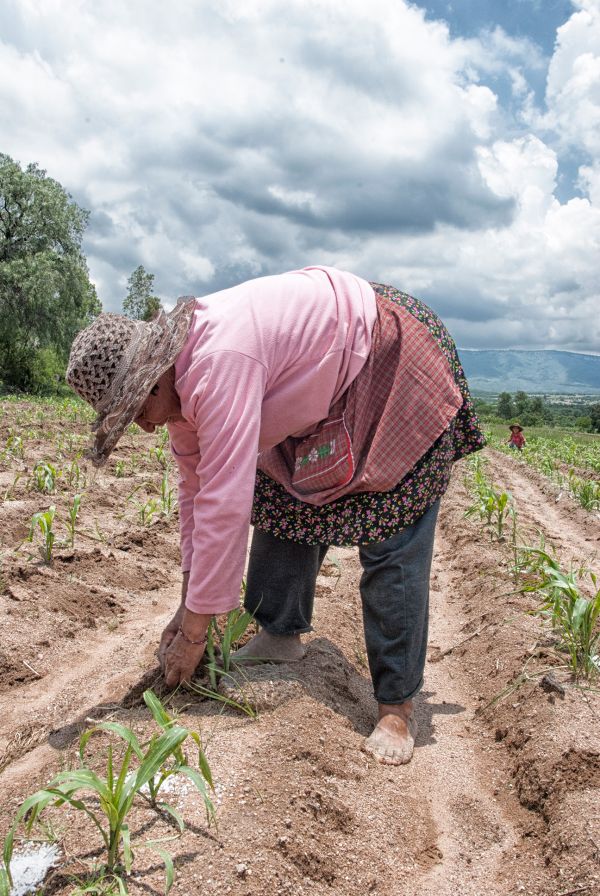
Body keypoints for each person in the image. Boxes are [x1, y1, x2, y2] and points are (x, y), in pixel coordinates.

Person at [66, 266, 485, 766]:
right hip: (322, 387)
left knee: (392, 532)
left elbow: (225, 502)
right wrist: (184, 608)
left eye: (135, 413)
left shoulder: (218, 362)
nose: (143, 428)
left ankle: (396, 707)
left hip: (386, 360)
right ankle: (279, 636)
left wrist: (197, 635)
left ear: (153, 383)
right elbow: (196, 498)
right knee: (284, 498)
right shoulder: (180, 394)